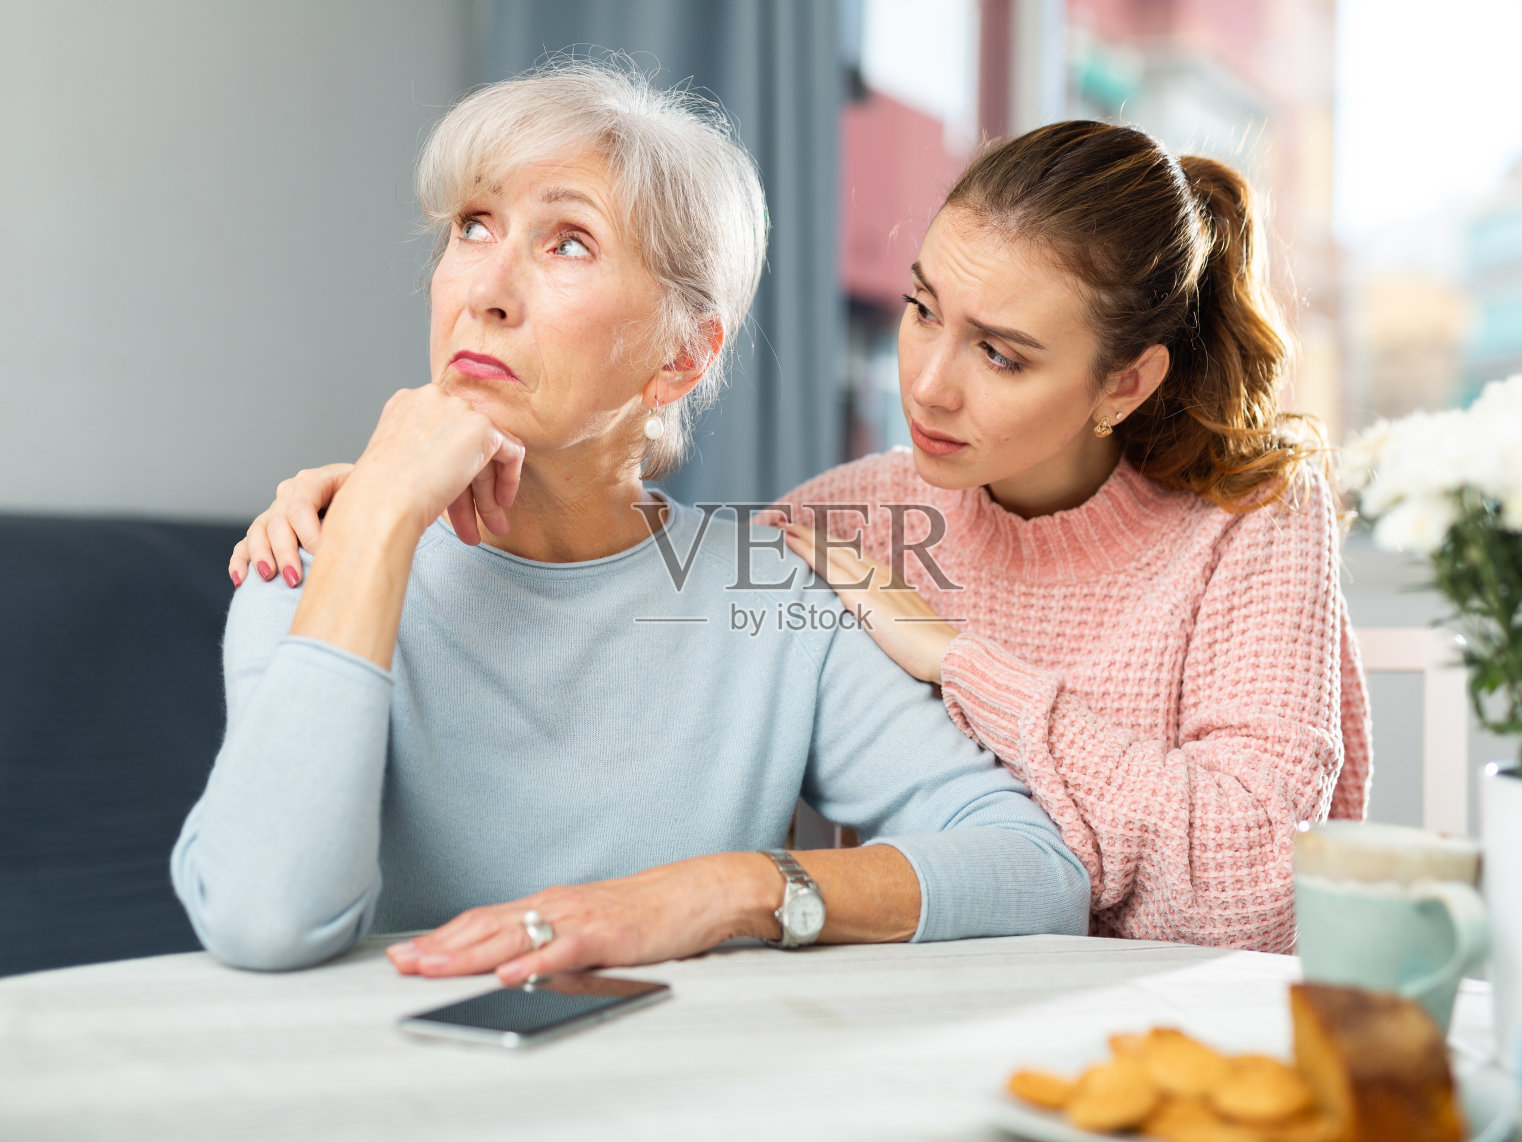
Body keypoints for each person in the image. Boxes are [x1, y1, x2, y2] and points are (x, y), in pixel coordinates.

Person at [234, 114, 1371, 955]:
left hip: (1204, 1008)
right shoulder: (833, 528)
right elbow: (652, 551)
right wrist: (376, 506)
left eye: (1002, 354)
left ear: (1122, 382)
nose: (923, 381)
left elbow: (1245, 890)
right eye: (921, 308)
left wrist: (950, 655)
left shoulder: (1253, 518)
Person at [173, 59, 1091, 981]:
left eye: (568, 241)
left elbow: (1033, 870)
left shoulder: (764, 599)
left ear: (681, 357)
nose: (483, 289)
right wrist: (374, 524)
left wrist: (728, 890)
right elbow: (263, 920)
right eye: (473, 226)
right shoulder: (314, 555)